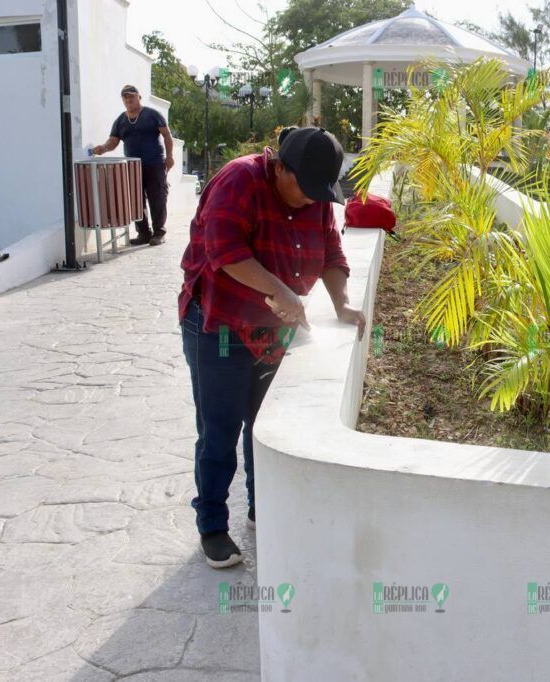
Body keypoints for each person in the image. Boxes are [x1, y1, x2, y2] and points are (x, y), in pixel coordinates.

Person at [178, 127, 366, 568]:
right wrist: (281, 290)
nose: (311, 200)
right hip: (216, 324)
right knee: (220, 428)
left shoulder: (314, 199)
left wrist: (341, 303)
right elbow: (224, 251)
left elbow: (332, 255)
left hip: (270, 329)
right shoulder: (237, 181)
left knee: (262, 424)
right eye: (305, 189)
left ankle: (262, 507)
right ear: (280, 167)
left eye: (321, 192)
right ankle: (212, 526)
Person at [93, 84, 174, 246]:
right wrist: (103, 148)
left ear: (139, 97)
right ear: (123, 100)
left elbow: (166, 134)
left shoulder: (152, 115)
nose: (128, 99)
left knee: (157, 197)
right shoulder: (120, 120)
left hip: (155, 164)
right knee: (136, 200)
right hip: (132, 167)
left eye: (131, 96)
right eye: (125, 97)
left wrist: (170, 157)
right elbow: (114, 141)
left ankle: (159, 232)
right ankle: (143, 233)